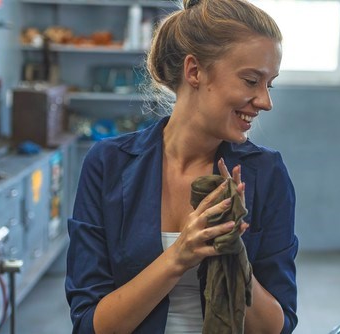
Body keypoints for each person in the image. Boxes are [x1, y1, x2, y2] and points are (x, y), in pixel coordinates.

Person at [64, 0, 298, 333]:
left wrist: (235, 256)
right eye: (250, 81)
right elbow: (90, 324)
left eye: (268, 84)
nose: (265, 101)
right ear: (194, 71)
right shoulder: (108, 164)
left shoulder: (266, 173)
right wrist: (180, 255)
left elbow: (279, 326)